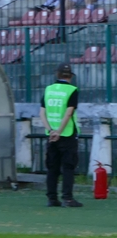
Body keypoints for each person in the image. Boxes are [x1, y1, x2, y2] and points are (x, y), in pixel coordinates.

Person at [40, 64, 82, 207]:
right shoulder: (72, 90)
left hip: (51, 135)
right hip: (67, 134)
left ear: (57, 75)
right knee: (68, 167)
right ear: (70, 76)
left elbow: (42, 113)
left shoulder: (48, 89)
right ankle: (67, 198)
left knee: (52, 168)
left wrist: (51, 130)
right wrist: (59, 131)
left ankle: (52, 198)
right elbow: (68, 113)